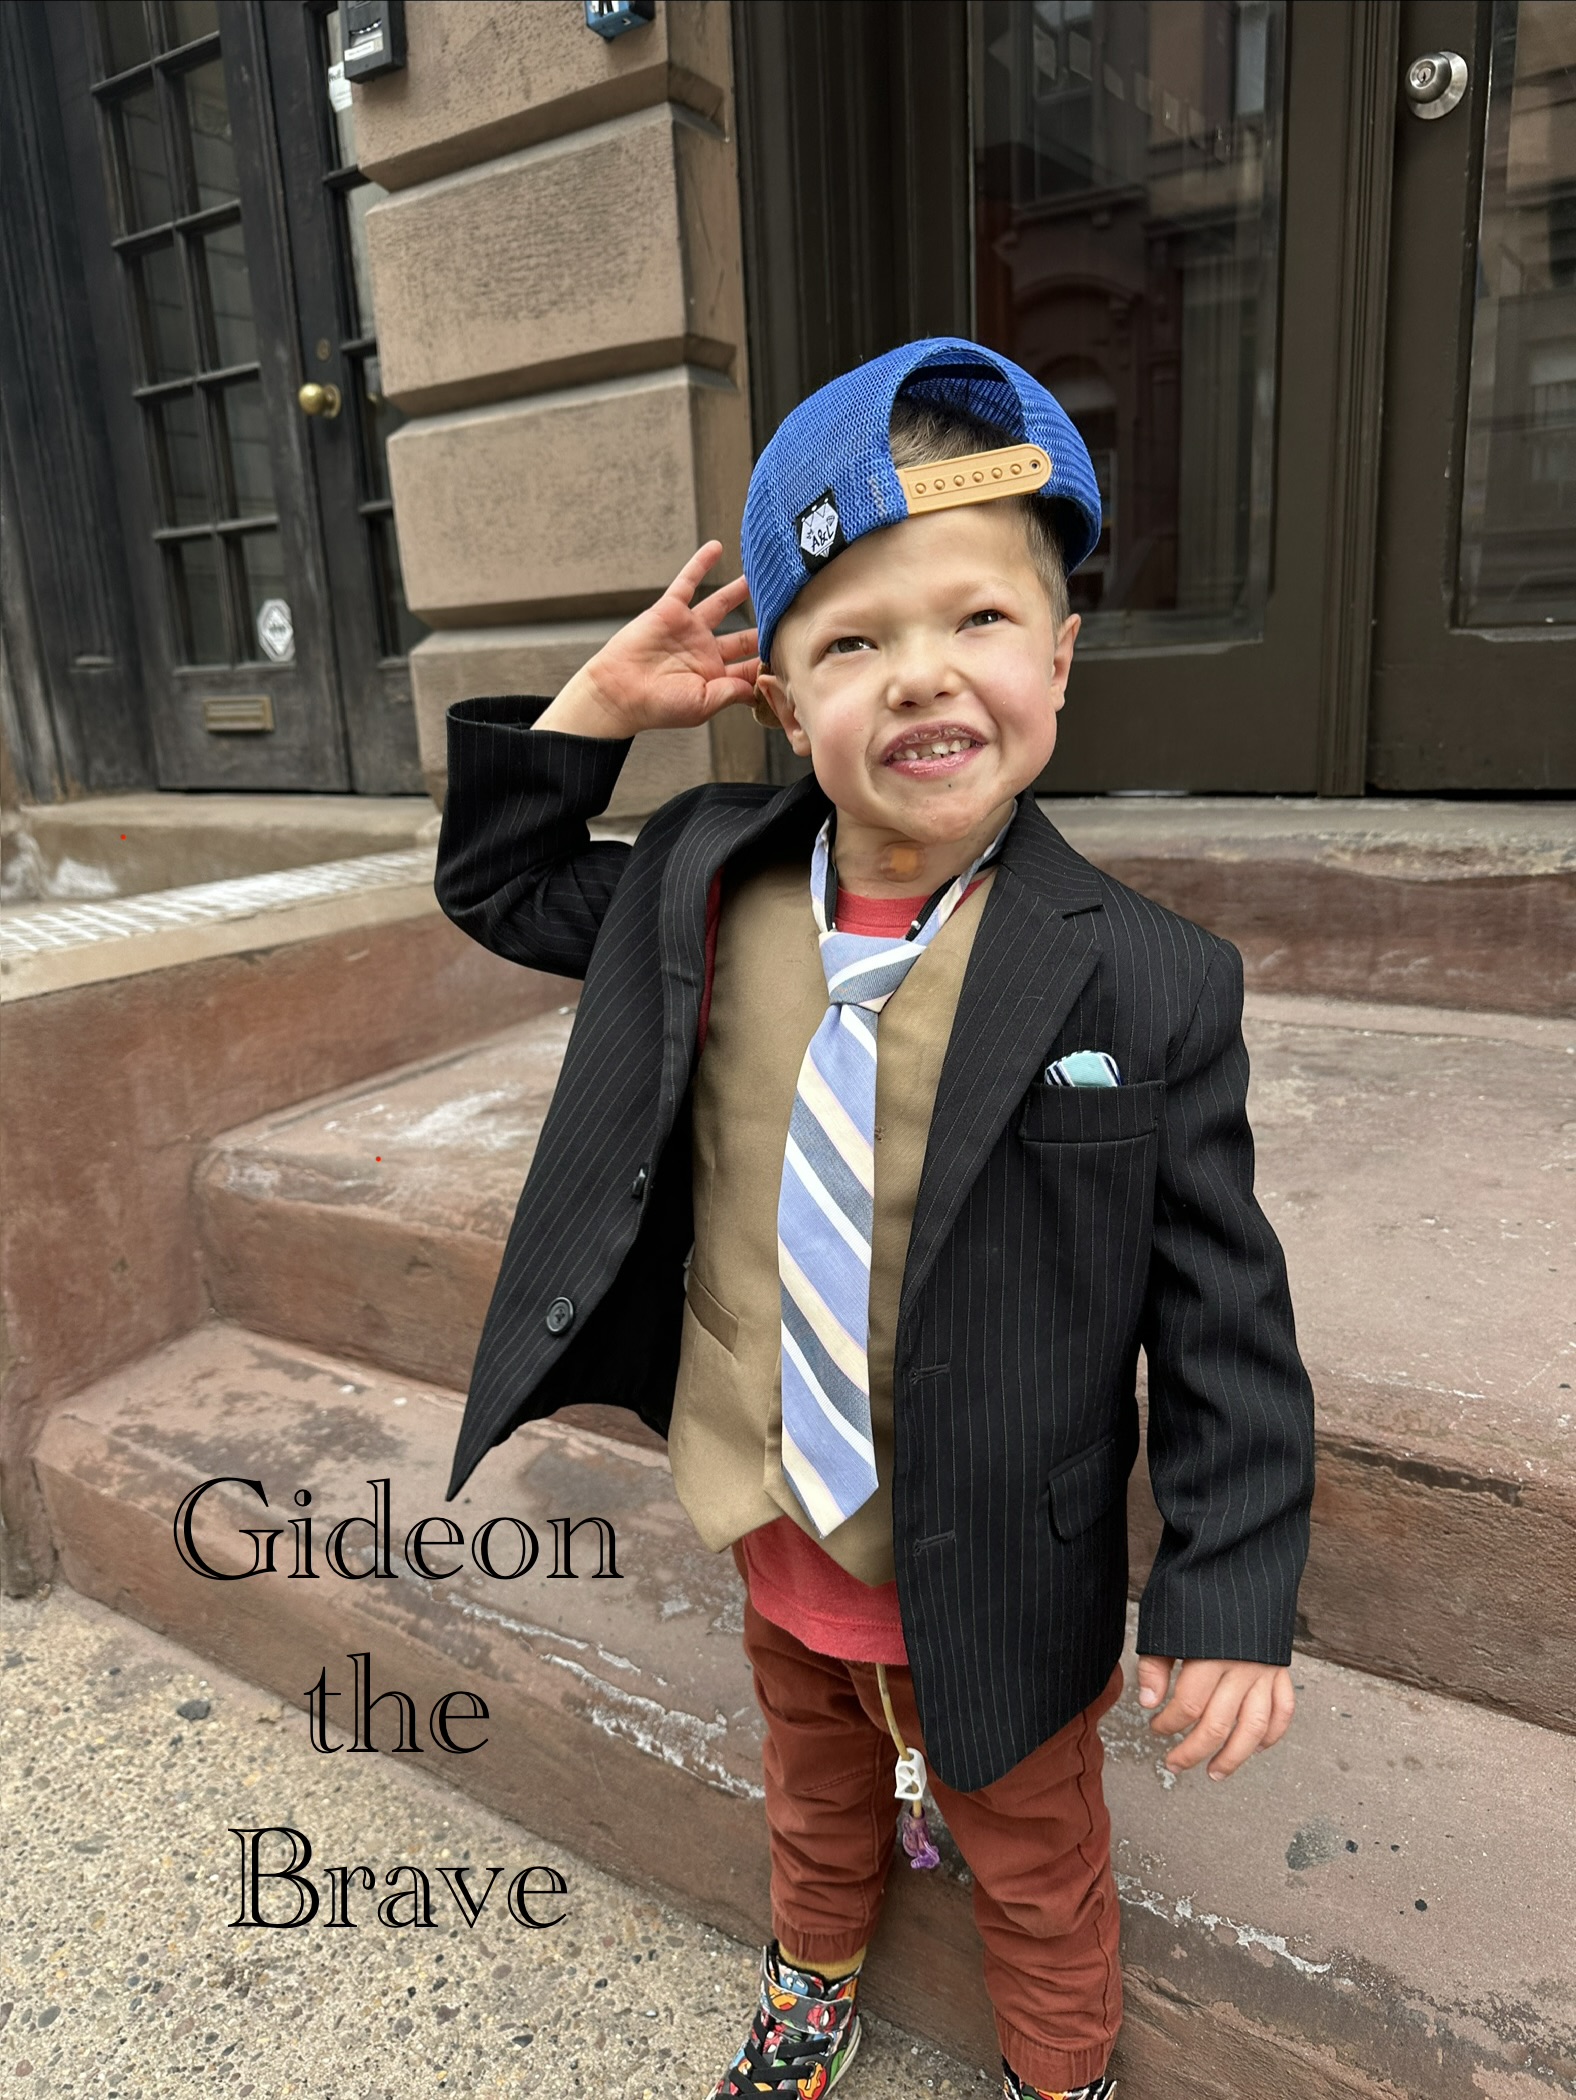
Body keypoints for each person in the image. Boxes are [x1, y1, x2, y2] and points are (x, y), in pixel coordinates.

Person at [433, 337, 1316, 2100]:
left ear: (1060, 660)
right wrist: (598, 708)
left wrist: (1226, 1587)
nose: (926, 677)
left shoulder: (1144, 982)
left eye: (979, 622)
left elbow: (1223, 1314)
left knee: (1035, 1853)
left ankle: (1058, 2069)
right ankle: (812, 1977)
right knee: (813, 1786)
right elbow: (502, 882)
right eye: (853, 641)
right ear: (777, 696)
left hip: (1002, 1562)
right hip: (772, 1510)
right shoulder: (702, 878)